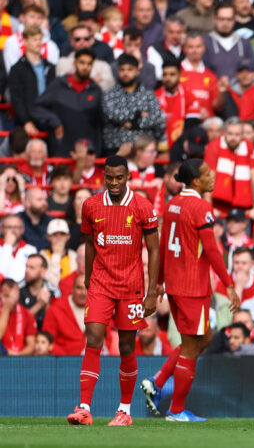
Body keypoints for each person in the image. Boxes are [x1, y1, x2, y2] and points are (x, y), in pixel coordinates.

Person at [140, 159, 240, 421]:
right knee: (190, 347)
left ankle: (157, 381)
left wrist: (159, 282)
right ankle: (176, 410)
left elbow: (162, 247)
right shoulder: (201, 207)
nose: (212, 176)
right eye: (207, 173)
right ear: (195, 181)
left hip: (175, 285)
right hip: (193, 287)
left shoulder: (172, 205)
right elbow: (212, 250)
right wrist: (229, 284)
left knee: (202, 339)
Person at [66, 155, 160, 427]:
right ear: (103, 177)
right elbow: (90, 242)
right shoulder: (91, 205)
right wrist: (87, 277)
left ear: (128, 176)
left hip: (131, 287)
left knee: (127, 347)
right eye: (109, 178)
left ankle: (124, 411)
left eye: (119, 177)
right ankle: (84, 408)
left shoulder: (142, 206)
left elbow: (154, 250)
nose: (114, 182)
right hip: (100, 283)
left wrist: (152, 291)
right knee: (94, 339)